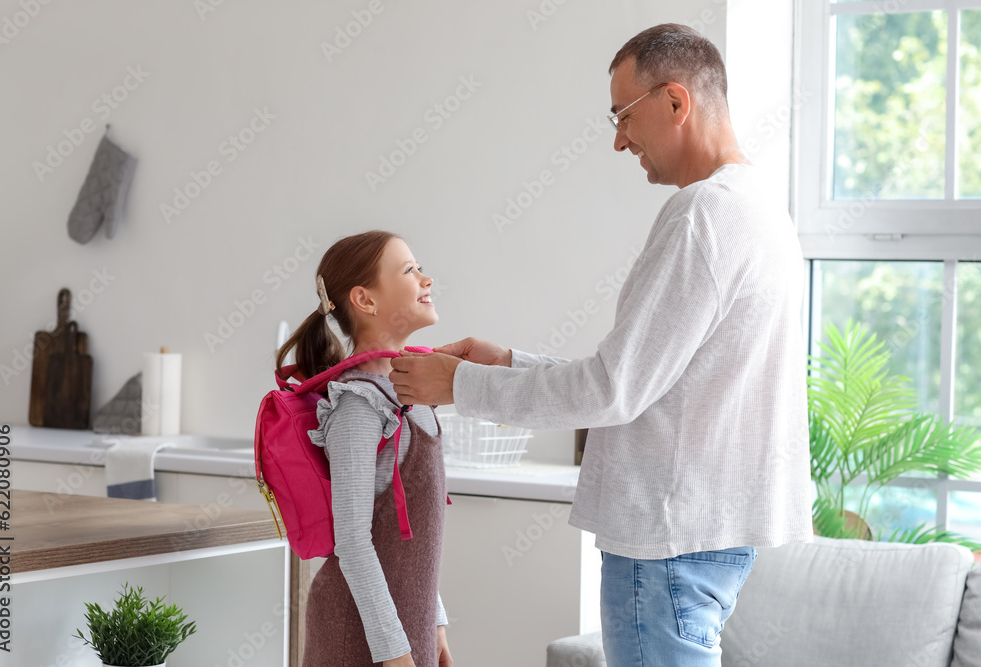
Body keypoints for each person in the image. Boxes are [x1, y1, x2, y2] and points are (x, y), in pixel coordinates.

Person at [389, 24, 813, 666]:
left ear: (675, 101)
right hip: (708, 535)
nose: (619, 141)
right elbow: (654, 379)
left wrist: (458, 385)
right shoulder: (761, 209)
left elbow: (613, 389)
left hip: (666, 540)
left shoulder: (703, 215)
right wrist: (509, 363)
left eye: (623, 116)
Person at [278, 230, 452, 667]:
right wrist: (394, 652)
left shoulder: (415, 396)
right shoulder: (358, 406)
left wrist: (435, 622)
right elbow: (354, 543)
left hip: (406, 625)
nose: (426, 278)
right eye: (410, 270)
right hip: (358, 633)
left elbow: (415, 538)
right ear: (366, 301)